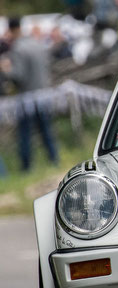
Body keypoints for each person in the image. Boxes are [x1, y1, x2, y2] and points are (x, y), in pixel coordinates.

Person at [0, 17, 58, 172]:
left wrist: (6, 70)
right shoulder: (37, 43)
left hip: (28, 98)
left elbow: (20, 76)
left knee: (25, 134)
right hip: (44, 93)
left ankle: (26, 167)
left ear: (12, 30)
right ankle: (54, 159)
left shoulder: (18, 48)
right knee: (46, 131)